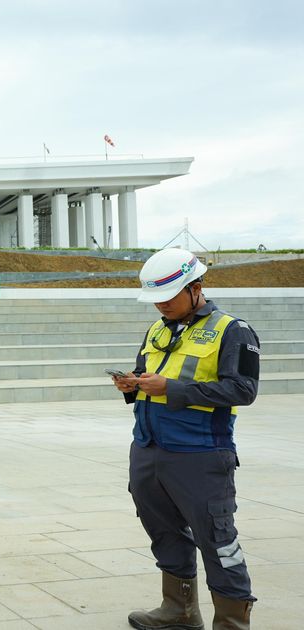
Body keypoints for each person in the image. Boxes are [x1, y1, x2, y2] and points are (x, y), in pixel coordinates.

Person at [112, 248, 260, 630]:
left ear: (196, 287)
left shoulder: (233, 330)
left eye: (169, 296)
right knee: (163, 530)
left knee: (218, 540)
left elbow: (242, 391)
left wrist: (172, 388)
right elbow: (150, 377)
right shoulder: (157, 329)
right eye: (155, 299)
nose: (161, 305)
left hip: (200, 454)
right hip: (148, 448)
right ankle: (179, 610)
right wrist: (132, 384)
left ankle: (231, 622)